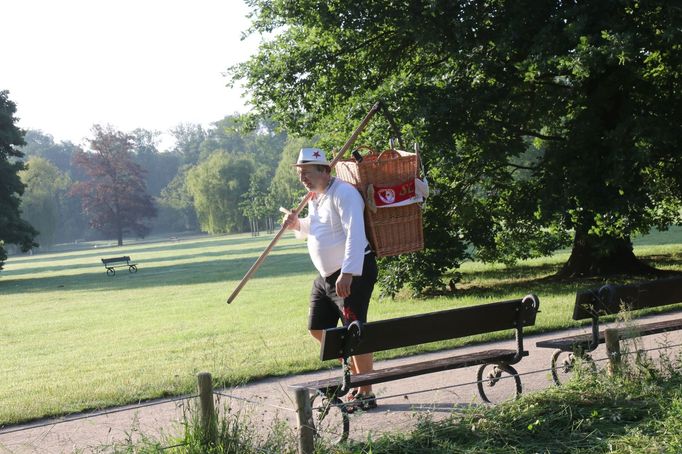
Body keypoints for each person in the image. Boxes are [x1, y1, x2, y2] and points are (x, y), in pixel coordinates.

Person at [283, 147, 378, 411]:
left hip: (352, 273)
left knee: (355, 330)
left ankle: (366, 392)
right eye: (300, 174)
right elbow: (318, 227)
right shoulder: (315, 196)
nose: (303, 179)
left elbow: (355, 234)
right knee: (318, 329)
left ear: (325, 170)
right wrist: (297, 225)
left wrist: (348, 272)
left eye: (307, 173)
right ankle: (354, 374)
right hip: (326, 277)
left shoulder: (344, 194)